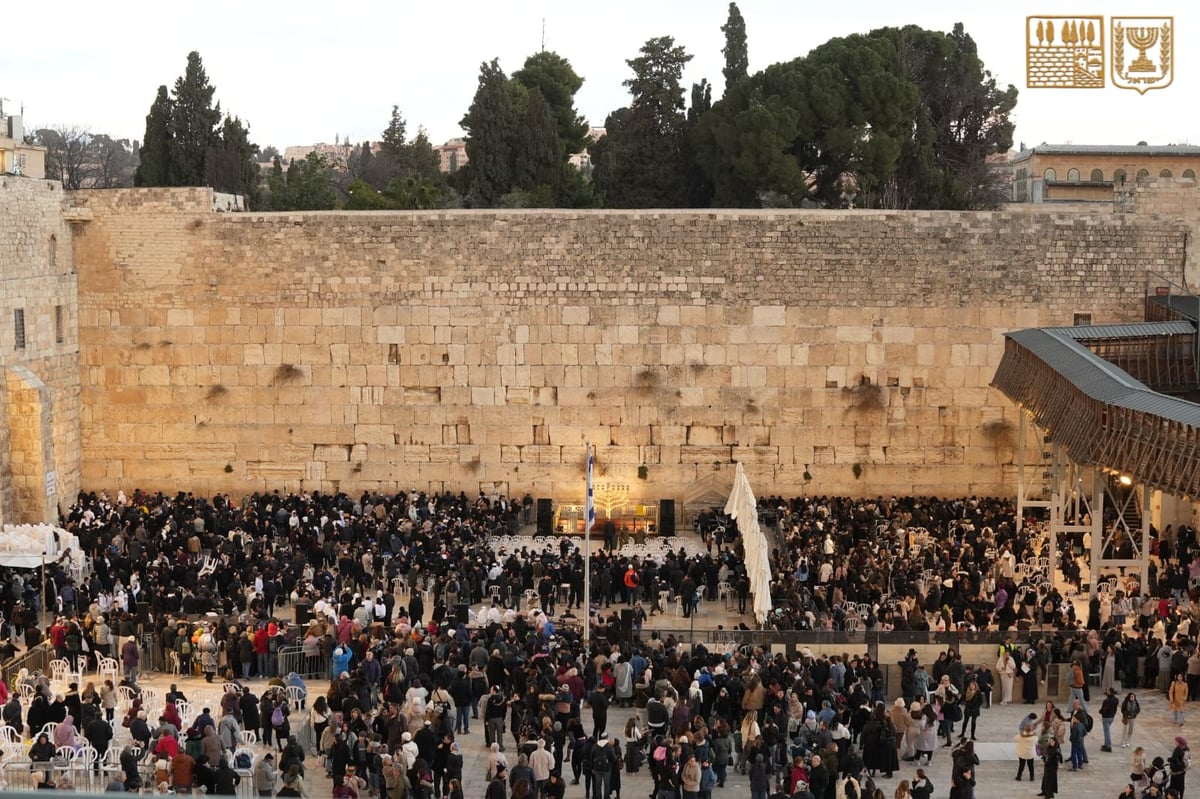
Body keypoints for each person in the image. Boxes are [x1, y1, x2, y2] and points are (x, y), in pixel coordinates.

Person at [1099, 688, 1119, 752]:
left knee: (1107, 732)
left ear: (1110, 692)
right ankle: (1106, 744)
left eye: (1107, 691)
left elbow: (1104, 709)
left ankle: (1108, 746)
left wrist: (1100, 711)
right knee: (1106, 731)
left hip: (1106, 717)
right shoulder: (1116, 699)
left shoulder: (1107, 700)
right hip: (1112, 717)